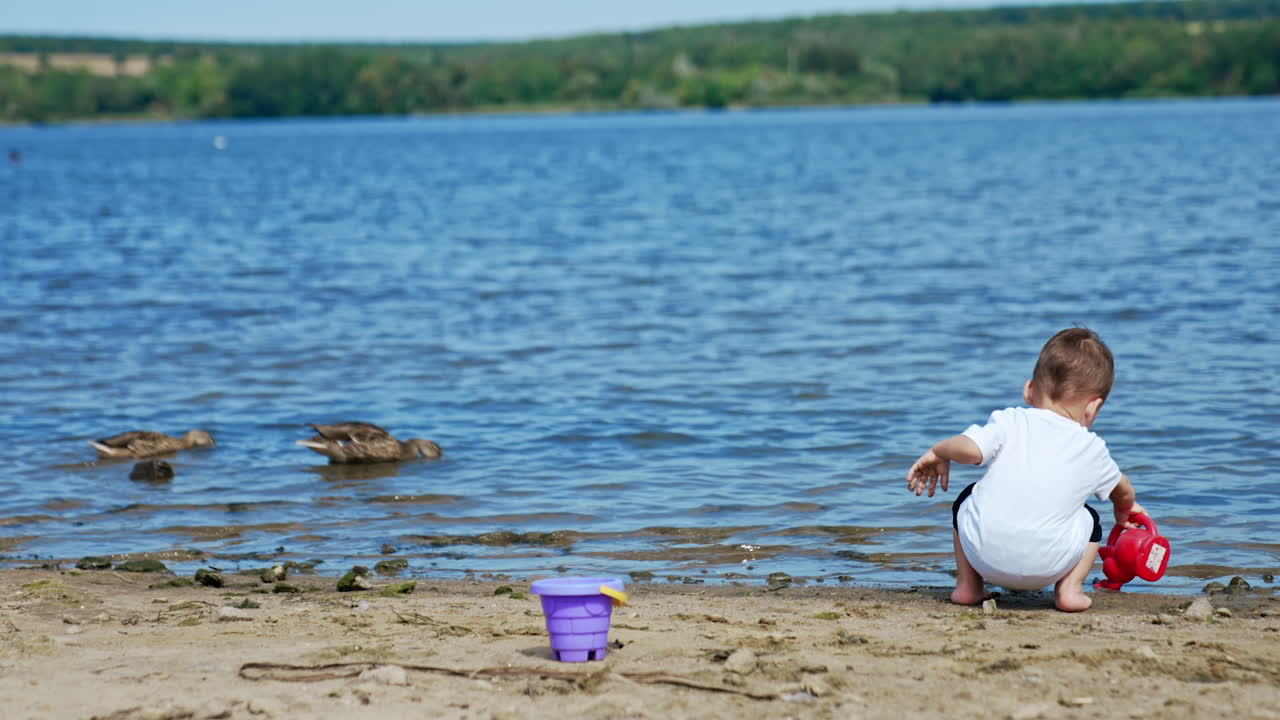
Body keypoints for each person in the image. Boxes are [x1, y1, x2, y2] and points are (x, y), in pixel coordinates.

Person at [905, 327, 1143, 612]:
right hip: (1049, 565)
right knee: (1090, 517)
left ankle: (968, 586)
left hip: (986, 558)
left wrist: (938, 450)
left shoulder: (1010, 421)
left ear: (1029, 390)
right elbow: (1123, 486)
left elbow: (970, 450)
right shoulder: (1092, 448)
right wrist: (1123, 506)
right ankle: (1069, 589)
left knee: (967, 497)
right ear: (1093, 407)